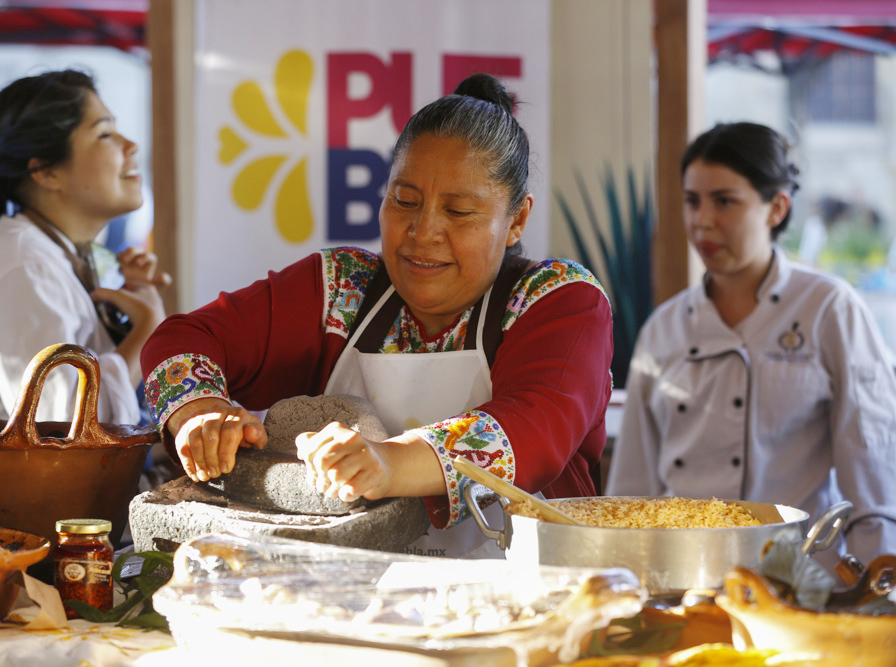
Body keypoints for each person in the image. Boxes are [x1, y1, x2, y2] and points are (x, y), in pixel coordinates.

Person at [141, 73, 613, 558]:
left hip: (533, 597)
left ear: (516, 220)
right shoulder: (341, 288)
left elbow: (537, 426)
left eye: (459, 212)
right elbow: (183, 337)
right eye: (404, 201)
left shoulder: (558, 300)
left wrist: (389, 462)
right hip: (354, 595)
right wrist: (199, 412)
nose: (423, 231)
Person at [606, 122, 896, 564]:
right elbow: (631, 493)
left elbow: (872, 476)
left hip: (800, 581)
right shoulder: (663, 329)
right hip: (683, 580)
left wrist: (880, 591)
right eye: (692, 201)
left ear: (776, 208)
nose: (702, 220)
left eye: (724, 201)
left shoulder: (828, 309)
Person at [0, 69, 169, 426]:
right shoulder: (23, 267)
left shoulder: (44, 256)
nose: (131, 145)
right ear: (47, 172)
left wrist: (132, 305)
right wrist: (147, 329)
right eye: (104, 133)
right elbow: (59, 427)